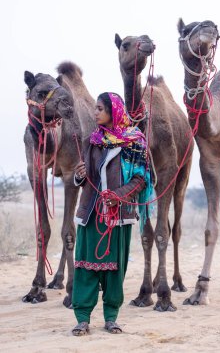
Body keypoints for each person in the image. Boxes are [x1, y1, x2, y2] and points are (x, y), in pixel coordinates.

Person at [71, 92, 153, 336]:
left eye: (99, 108)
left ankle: (111, 318)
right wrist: (79, 175)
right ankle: (82, 318)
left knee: (115, 269)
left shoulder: (134, 143)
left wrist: (118, 194)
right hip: (91, 213)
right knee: (85, 267)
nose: (94, 112)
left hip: (119, 215)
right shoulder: (91, 141)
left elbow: (141, 179)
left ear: (113, 111)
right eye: (95, 108)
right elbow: (84, 181)